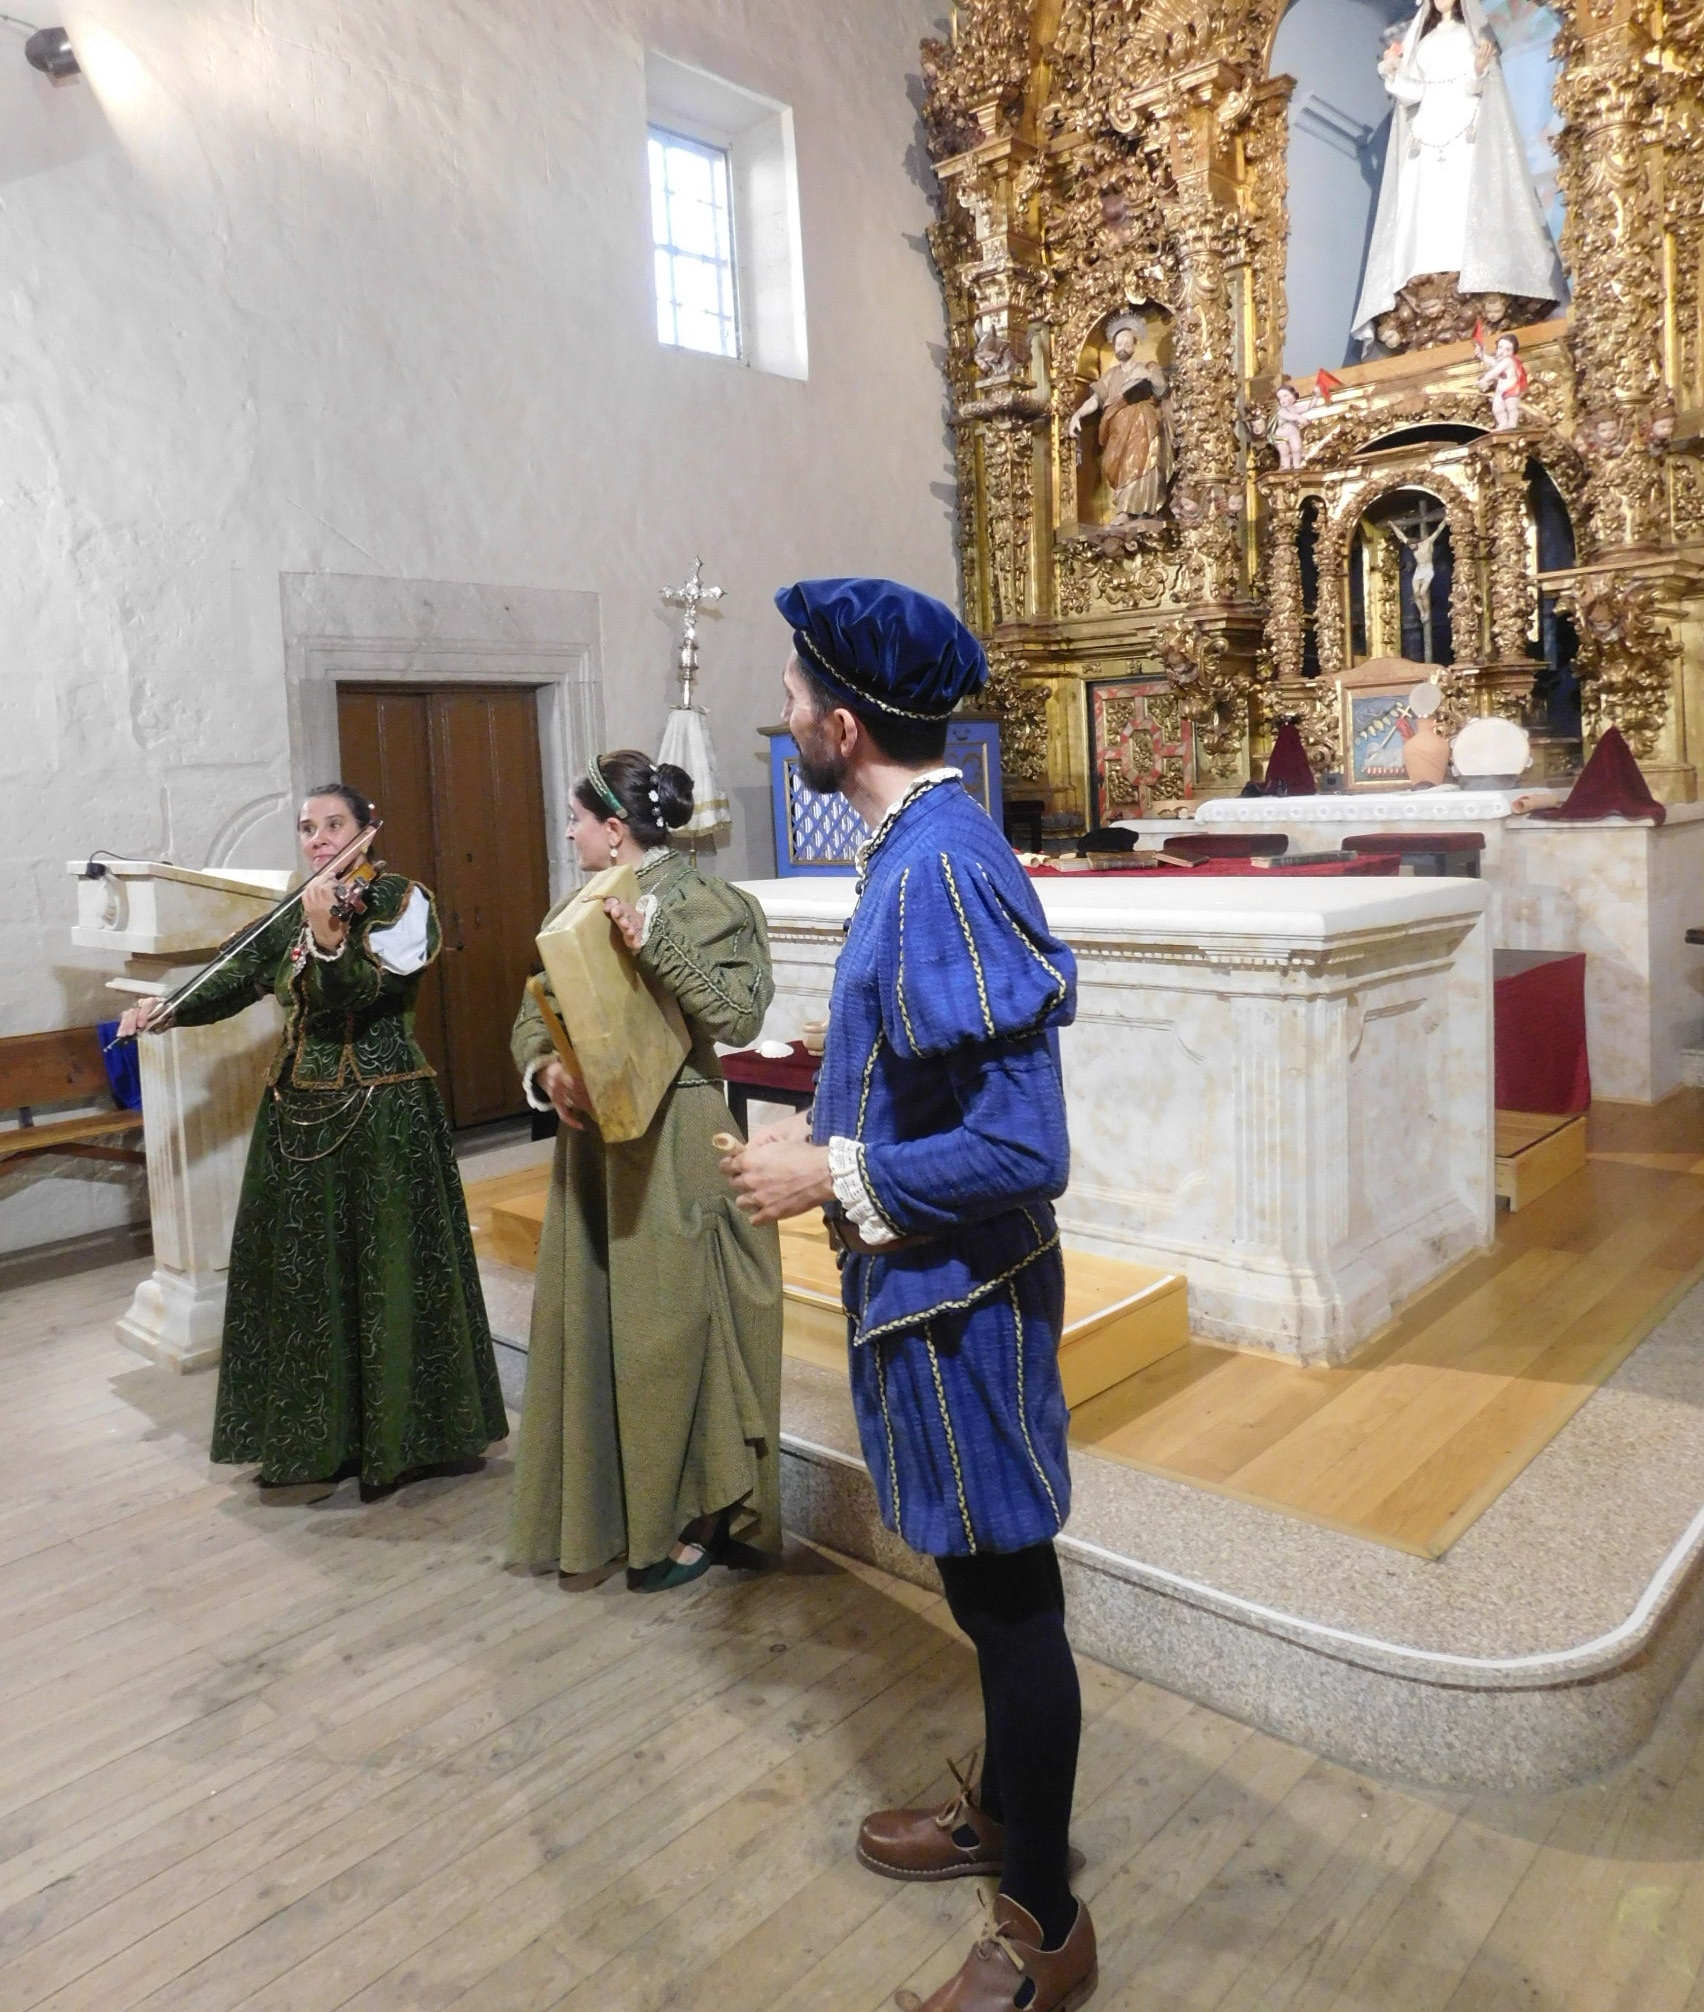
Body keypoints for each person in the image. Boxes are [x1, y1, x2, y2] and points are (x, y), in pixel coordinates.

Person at [722, 580, 1094, 2012]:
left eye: (799, 691)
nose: (787, 713)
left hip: (966, 1301)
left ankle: (1044, 1925)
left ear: (847, 718)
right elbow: (943, 1065)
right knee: (980, 1580)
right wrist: (851, 1062)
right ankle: (1003, 1814)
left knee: (1009, 1600)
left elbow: (1023, 1146)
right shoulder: (914, 848)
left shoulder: (940, 864)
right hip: (926, 1290)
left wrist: (828, 1172)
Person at [116, 784, 507, 1496]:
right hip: (295, 1114)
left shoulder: (399, 902)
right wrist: (165, 1008)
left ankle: (406, 1441)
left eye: (334, 825)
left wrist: (329, 939)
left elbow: (361, 993)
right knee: (306, 1282)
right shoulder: (300, 908)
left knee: (387, 1274)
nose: (320, 839)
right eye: (307, 828)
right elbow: (234, 974)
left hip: (384, 1118)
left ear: (366, 830)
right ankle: (314, 1441)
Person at [506, 748, 782, 1592]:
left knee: (673, 1332)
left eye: (578, 819)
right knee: (601, 1327)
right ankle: (615, 1510)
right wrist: (545, 1072)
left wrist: (655, 940)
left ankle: (693, 1515)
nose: (568, 831)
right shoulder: (576, 904)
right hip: (593, 1144)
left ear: (616, 830)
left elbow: (739, 1016)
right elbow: (531, 1012)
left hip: (675, 1137)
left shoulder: (711, 903)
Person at [1352, 0, 1564, 347]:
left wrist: (1479, 71)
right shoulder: (1424, 42)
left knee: (1465, 196)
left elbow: (1474, 85)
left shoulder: (1470, 36)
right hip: (1427, 133)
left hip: (1465, 127)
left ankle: (1478, 273)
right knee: (1426, 208)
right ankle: (1427, 273)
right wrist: (1394, 72)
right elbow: (1412, 92)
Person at [1067, 313, 1173, 517]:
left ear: (1134, 346)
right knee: (1115, 463)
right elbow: (1095, 401)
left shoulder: (1145, 368)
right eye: (1118, 343)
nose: (1122, 346)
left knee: (1143, 461)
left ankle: (1132, 510)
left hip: (1143, 425)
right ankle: (1125, 507)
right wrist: (1077, 415)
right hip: (1116, 429)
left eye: (1127, 342)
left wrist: (1154, 375)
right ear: (1114, 347)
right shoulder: (1109, 375)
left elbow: (1162, 391)